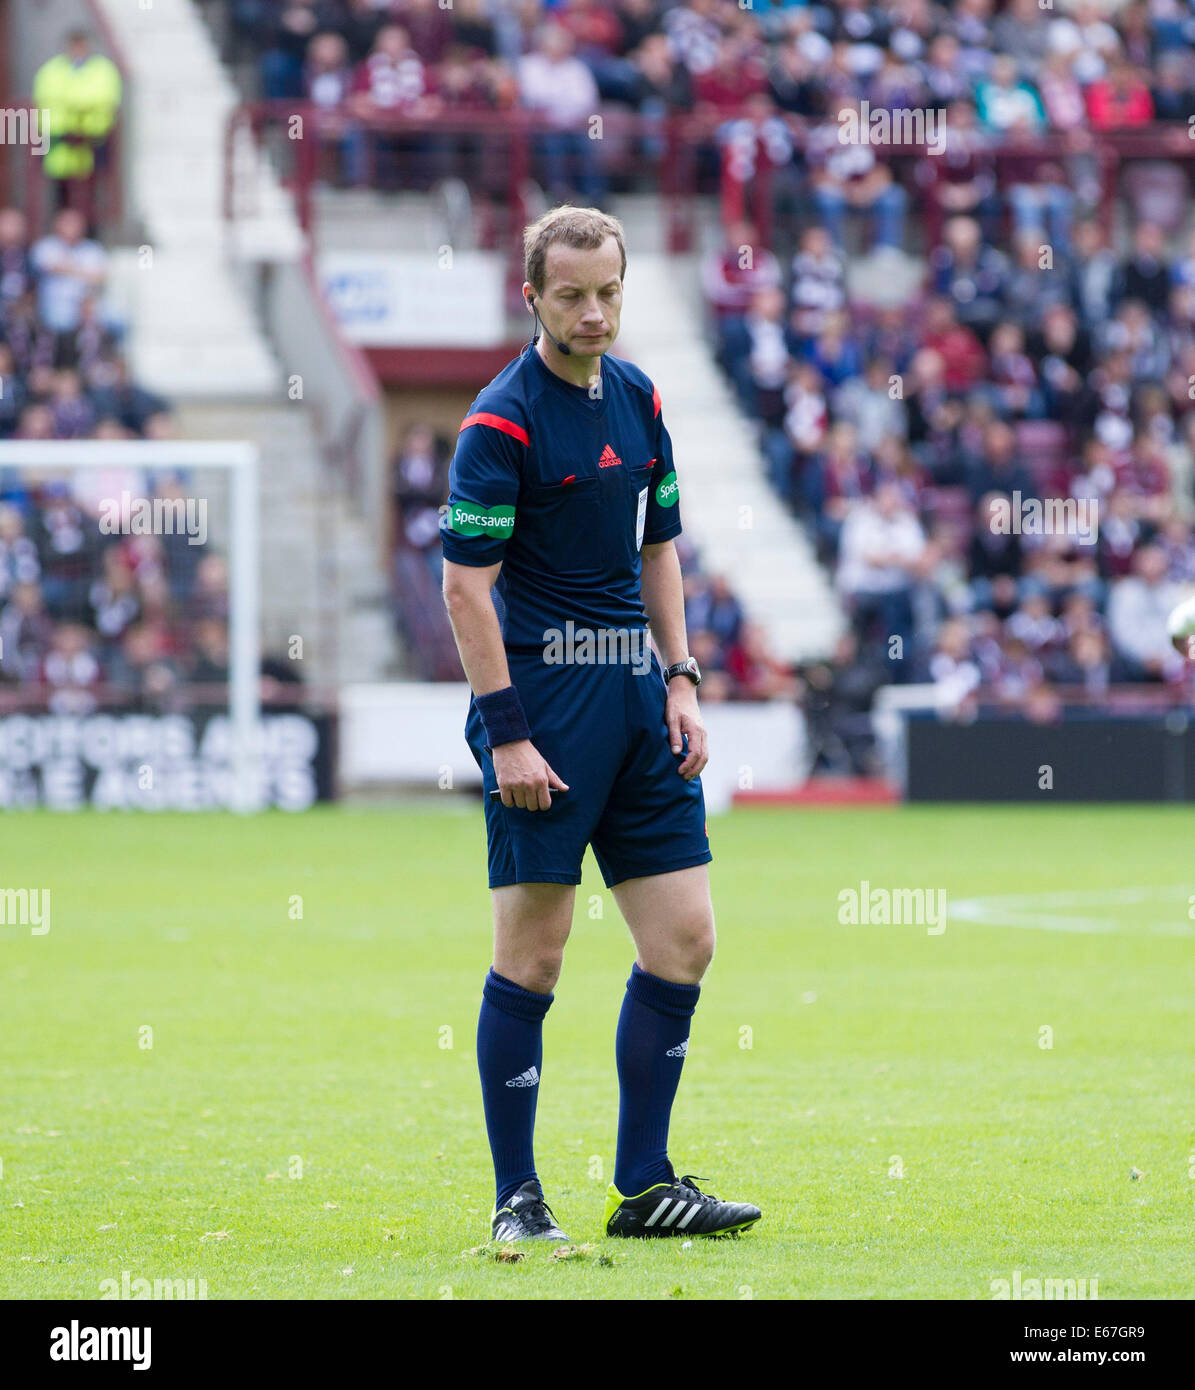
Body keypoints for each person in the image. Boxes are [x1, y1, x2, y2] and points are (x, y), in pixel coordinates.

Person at [439, 205, 761, 1245]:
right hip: (545, 706)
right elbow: (464, 590)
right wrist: (508, 732)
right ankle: (516, 1200)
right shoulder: (501, 418)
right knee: (532, 957)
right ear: (530, 295)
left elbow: (658, 546)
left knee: (685, 939)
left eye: (608, 291)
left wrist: (681, 678)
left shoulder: (639, 396)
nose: (592, 310)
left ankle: (645, 1184)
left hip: (636, 699)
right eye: (571, 293)